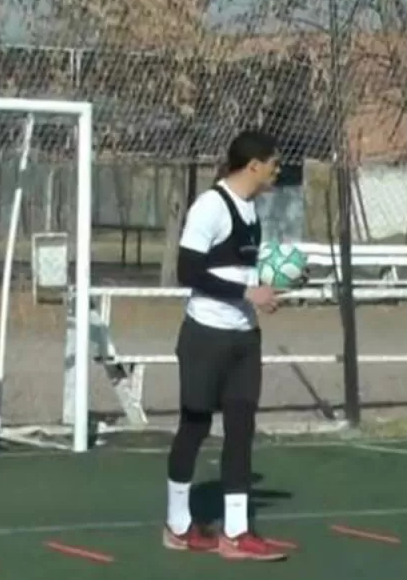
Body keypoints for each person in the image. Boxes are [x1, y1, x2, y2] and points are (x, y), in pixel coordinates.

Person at [162, 129, 287, 562]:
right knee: (195, 425)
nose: (278, 169)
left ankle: (236, 533)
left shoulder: (252, 209)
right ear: (253, 164)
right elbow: (187, 270)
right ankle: (178, 524)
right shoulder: (210, 206)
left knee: (240, 426)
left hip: (243, 337)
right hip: (205, 335)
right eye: (274, 162)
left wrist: (265, 287)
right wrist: (245, 293)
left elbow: (239, 273)